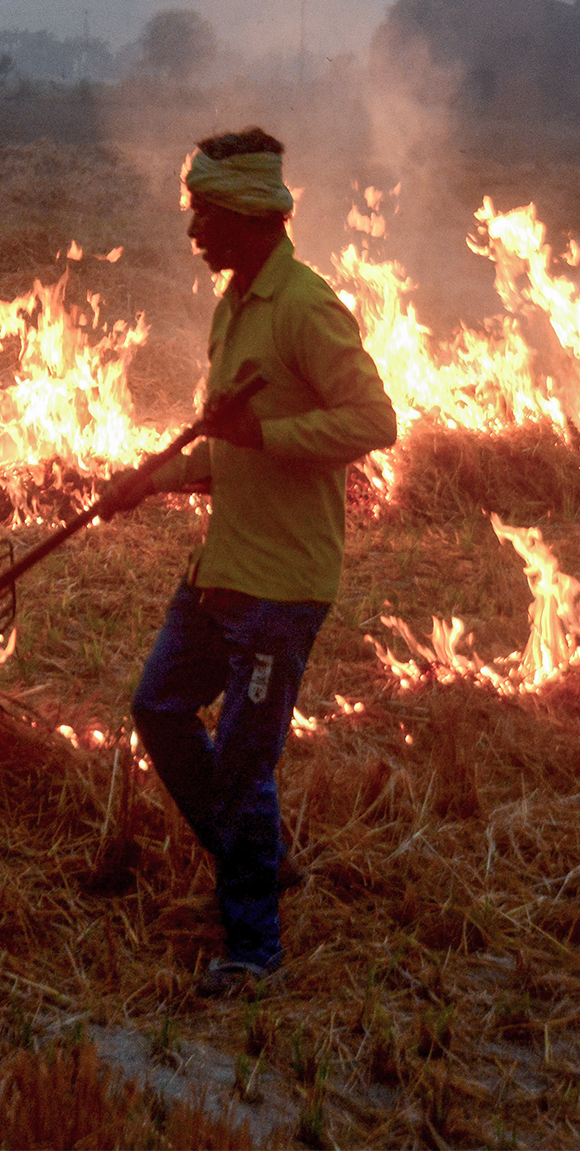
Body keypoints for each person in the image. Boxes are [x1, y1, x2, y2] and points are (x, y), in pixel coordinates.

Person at [100, 127, 397, 996]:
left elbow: (375, 421)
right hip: (222, 569)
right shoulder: (234, 307)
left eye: (204, 214)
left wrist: (268, 435)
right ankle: (254, 858)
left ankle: (255, 950)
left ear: (247, 215)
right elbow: (225, 447)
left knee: (240, 764)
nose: (193, 232)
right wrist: (149, 482)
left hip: (283, 584)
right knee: (158, 705)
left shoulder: (305, 308)